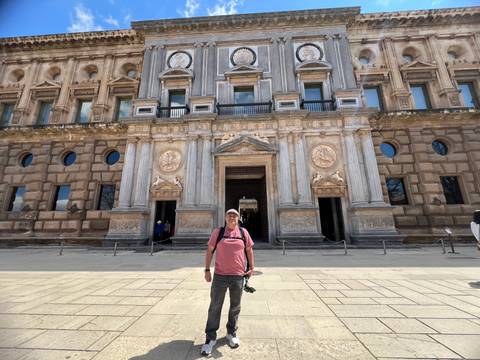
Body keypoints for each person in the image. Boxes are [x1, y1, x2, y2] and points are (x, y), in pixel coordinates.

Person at [201, 208, 255, 356]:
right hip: (220, 276)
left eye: (235, 215)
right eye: (229, 215)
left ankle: (231, 333)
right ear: (225, 218)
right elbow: (209, 250)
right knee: (215, 307)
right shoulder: (218, 232)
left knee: (235, 307)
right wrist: (207, 270)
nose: (232, 217)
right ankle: (210, 338)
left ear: (239, 218)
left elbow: (249, 250)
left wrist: (251, 267)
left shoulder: (243, 233)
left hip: (238, 276)